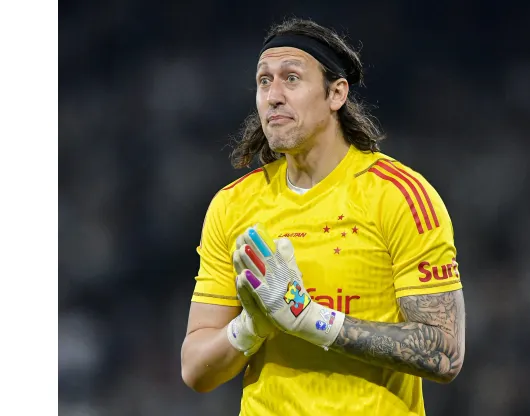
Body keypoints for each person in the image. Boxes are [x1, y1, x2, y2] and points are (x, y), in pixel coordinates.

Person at [180, 17, 465, 416]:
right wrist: (250, 328)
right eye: (264, 81)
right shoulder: (232, 205)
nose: (273, 95)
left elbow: (444, 354)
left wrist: (311, 319)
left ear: (336, 94)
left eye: (291, 78)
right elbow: (195, 369)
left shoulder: (398, 195)